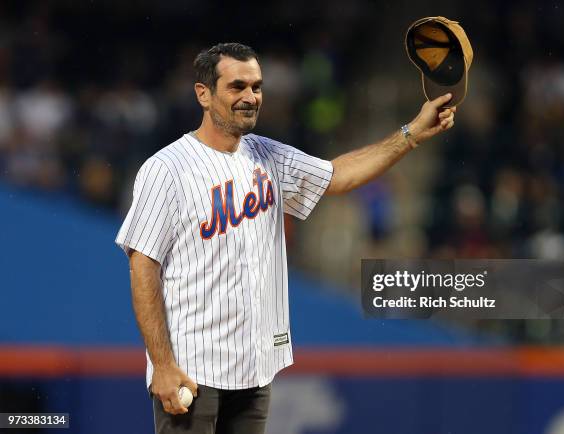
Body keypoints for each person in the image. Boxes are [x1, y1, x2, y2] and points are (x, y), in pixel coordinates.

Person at [115, 42, 456, 434]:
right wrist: (161, 365)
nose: (250, 97)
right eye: (237, 86)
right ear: (203, 94)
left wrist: (411, 134)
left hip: (255, 370)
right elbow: (143, 266)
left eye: (257, 87)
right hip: (193, 371)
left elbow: (338, 176)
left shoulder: (269, 156)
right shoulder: (166, 169)